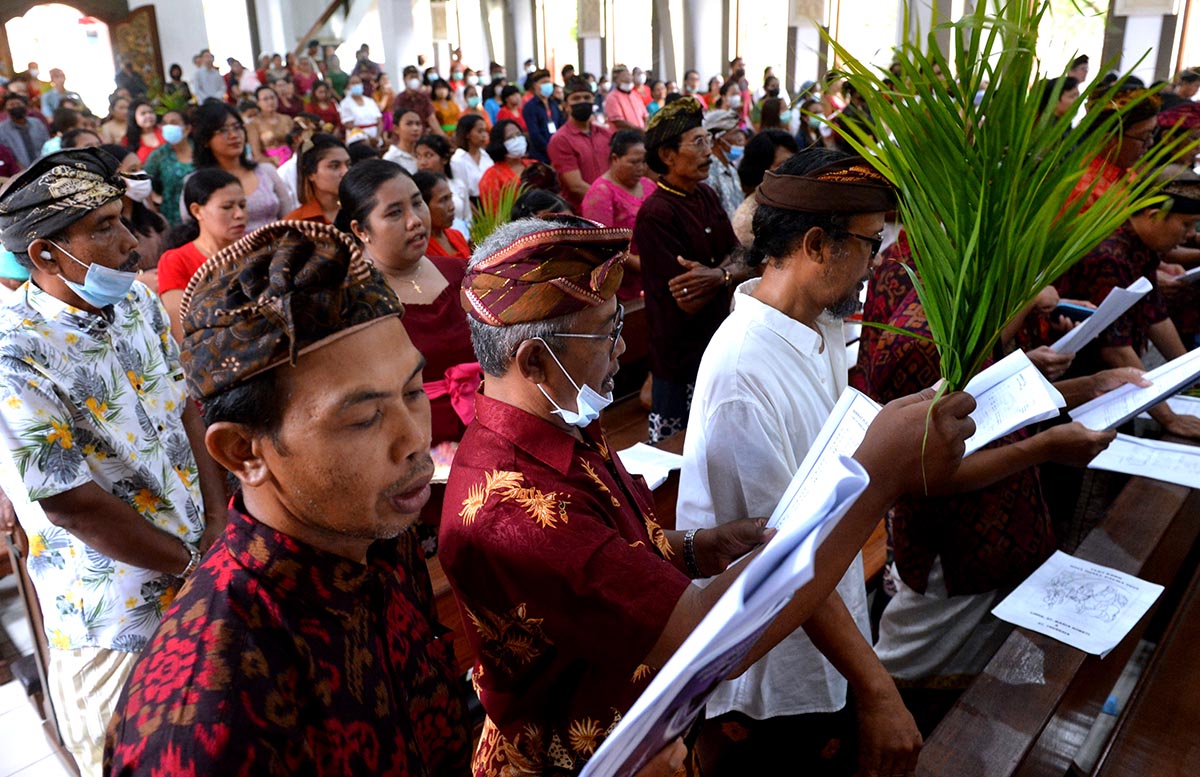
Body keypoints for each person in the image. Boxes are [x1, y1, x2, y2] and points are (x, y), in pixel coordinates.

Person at [438, 215, 976, 774]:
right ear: (533, 362)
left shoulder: (557, 420)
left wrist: (692, 546)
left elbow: (597, 562)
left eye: (619, 319)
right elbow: (703, 639)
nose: (622, 345)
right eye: (604, 331)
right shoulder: (514, 511)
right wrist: (876, 478)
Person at [103, 220, 474, 775]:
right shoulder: (203, 717)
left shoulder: (378, 537)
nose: (414, 442)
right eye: (365, 418)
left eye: (413, 392)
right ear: (242, 452)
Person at [0, 148, 227, 776]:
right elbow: (69, 503)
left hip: (199, 561)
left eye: (123, 219)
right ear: (44, 254)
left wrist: (215, 522)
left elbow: (185, 407)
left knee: (216, 741)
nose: (130, 242)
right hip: (115, 611)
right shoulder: (15, 353)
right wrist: (189, 562)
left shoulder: (135, 303)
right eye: (103, 226)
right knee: (125, 754)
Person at [632, 97, 748, 441]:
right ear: (667, 155)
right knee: (678, 456)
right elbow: (688, 299)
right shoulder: (657, 213)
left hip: (718, 342)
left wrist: (718, 275)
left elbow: (743, 256)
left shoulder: (705, 196)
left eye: (708, 141)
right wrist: (727, 273)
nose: (708, 151)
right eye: (698, 142)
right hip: (679, 357)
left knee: (720, 444)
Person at [338, 160, 478, 445]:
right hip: (407, 445)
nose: (414, 220)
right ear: (361, 229)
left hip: (484, 431)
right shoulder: (354, 301)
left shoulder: (459, 272)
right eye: (394, 213)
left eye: (418, 204)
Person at [1054, 169, 1200, 439]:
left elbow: (1155, 315)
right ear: (1154, 215)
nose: (1189, 235)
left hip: (1112, 378)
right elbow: (1116, 350)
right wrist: (1170, 419)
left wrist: (1192, 378)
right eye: (1186, 225)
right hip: (1074, 380)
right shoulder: (1111, 254)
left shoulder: (1140, 246)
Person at [157, 169, 246, 341]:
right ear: (197, 211)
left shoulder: (255, 250)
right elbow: (182, 332)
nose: (239, 214)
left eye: (242, 205)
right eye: (227, 207)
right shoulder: (176, 261)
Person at [190, 101, 294, 232]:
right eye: (223, 130)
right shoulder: (198, 183)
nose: (234, 135)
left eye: (237, 127)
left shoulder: (266, 171)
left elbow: (289, 217)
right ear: (205, 140)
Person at [582, 129, 655, 298]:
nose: (641, 168)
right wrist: (641, 264)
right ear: (615, 158)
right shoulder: (601, 194)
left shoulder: (649, 184)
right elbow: (604, 245)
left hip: (655, 270)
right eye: (634, 162)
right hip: (625, 282)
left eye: (644, 162)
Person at [102, 145, 169, 289]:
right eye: (133, 170)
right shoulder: (103, 228)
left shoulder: (155, 220)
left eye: (141, 168)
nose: (141, 175)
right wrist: (138, 281)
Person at [547, 76, 612, 212]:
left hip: (611, 209)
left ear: (593, 100)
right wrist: (610, 201)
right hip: (581, 215)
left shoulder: (605, 134)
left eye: (587, 98)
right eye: (576, 98)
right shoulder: (561, 139)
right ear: (566, 105)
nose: (582, 101)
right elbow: (576, 186)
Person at [730, 128, 799, 244]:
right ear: (762, 169)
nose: (793, 169)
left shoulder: (795, 199)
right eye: (782, 164)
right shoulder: (747, 218)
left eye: (794, 162)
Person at [143, 110, 195, 227]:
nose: (168, 127)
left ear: (187, 128)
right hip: (173, 220)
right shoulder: (158, 155)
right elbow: (143, 180)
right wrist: (154, 205)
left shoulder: (201, 150)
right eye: (165, 123)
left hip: (205, 214)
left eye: (173, 122)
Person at [285, 133, 350, 224]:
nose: (346, 171)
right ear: (310, 173)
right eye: (335, 166)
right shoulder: (295, 223)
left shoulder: (362, 213)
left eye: (348, 164)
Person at [415, 133, 471, 230]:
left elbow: (468, 218)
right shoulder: (415, 190)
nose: (422, 162)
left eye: (428, 155)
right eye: (418, 156)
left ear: (444, 159)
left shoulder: (458, 185)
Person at [414, 170, 472, 262]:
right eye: (443, 200)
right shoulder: (420, 248)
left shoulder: (457, 235)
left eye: (450, 197)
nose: (452, 207)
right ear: (423, 206)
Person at [479, 119, 534, 211]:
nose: (517, 140)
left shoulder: (534, 165)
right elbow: (495, 212)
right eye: (510, 138)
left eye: (518, 134)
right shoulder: (491, 177)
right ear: (500, 143)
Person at [701, 110, 746, 220]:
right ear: (719, 139)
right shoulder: (709, 174)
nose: (740, 139)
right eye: (735, 133)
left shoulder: (731, 169)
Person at [244, 85, 293, 167]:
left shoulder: (287, 119)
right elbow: (257, 155)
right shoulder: (253, 124)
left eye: (272, 98)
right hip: (270, 165)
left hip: (291, 162)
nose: (270, 102)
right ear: (258, 103)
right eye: (265, 99)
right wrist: (272, 161)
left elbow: (296, 143)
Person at [521, 69, 562, 164]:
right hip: (540, 155)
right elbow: (535, 134)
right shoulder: (530, 107)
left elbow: (560, 124)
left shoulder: (553, 104)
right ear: (535, 85)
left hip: (558, 150)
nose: (548, 85)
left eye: (549, 82)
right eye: (544, 82)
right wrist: (550, 149)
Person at [0, 93, 49, 170]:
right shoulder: (2, 130)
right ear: (6, 109)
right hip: (19, 172)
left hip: (44, 166)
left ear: (25, 106)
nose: (16, 107)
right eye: (12, 105)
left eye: (18, 104)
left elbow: (47, 144)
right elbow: (7, 154)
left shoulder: (37, 123)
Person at [450, 113, 494, 198]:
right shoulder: (458, 160)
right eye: (480, 131)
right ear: (467, 134)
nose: (484, 135)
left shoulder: (486, 156)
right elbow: (463, 193)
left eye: (485, 131)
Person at [393, 65, 443, 137]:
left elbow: (432, 119)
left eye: (416, 77)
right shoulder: (399, 100)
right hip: (405, 138)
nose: (414, 80)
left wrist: (443, 137)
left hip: (422, 138)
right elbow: (397, 122)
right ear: (404, 79)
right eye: (411, 77)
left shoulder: (424, 98)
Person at [339, 74, 383, 141]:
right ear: (348, 86)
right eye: (353, 83)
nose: (356, 85)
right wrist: (368, 138)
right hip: (357, 139)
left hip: (376, 138)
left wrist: (377, 137)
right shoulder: (345, 103)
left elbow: (379, 121)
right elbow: (348, 124)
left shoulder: (370, 101)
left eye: (358, 82)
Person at [605, 65, 649, 131]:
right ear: (616, 81)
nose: (627, 78)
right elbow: (618, 121)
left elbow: (645, 115)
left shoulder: (635, 95)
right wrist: (638, 130)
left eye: (628, 75)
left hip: (640, 135)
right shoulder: (612, 97)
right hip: (624, 137)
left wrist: (645, 129)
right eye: (623, 77)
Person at [122, 99, 165, 163]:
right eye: (143, 113)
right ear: (134, 117)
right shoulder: (128, 140)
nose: (148, 116)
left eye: (151, 112)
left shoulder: (164, 131)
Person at [384, 108, 424, 174]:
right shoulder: (391, 158)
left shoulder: (424, 154)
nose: (415, 128)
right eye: (409, 124)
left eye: (418, 124)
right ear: (396, 129)